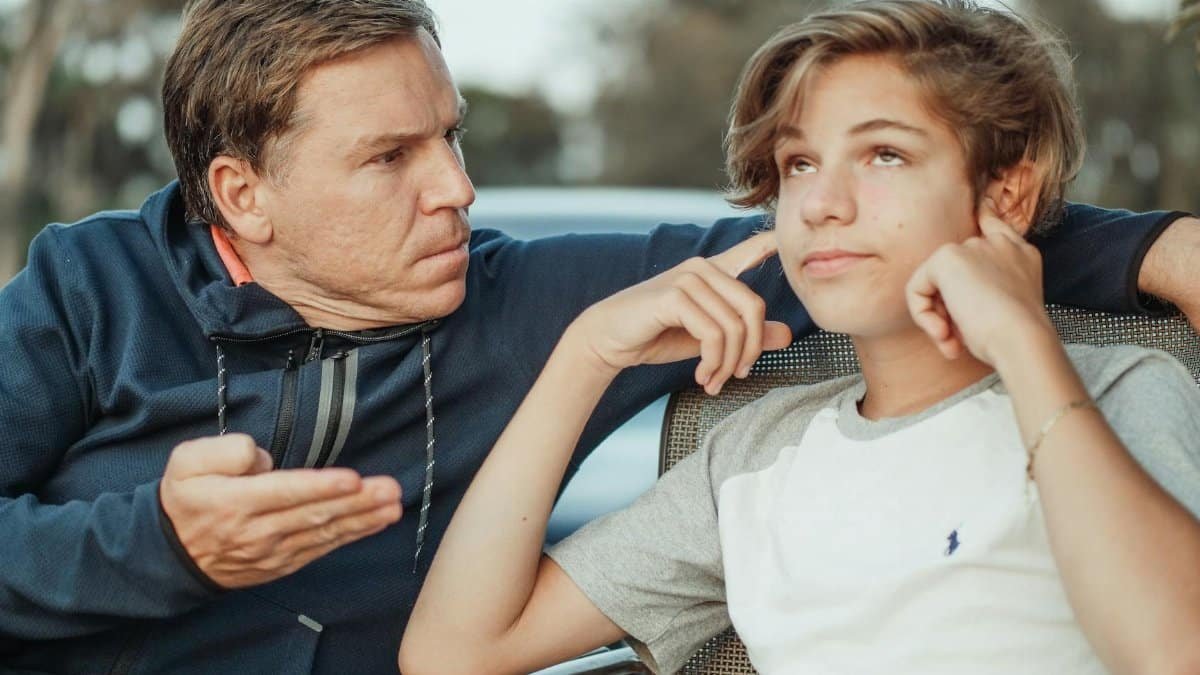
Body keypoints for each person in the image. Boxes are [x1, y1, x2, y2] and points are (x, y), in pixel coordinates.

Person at [0, 0, 1196, 672]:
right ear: (243, 195)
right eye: (391, 158)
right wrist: (155, 545)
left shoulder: (532, 294)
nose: (461, 190)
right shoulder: (86, 290)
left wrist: (1152, 249)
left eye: (451, 138)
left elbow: (835, 246)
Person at [400, 1, 1200, 673]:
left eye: (884, 154)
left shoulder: (1119, 388)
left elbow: (1174, 648)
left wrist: (1023, 342)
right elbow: (451, 653)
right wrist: (585, 355)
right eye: (799, 165)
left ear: (1007, 194)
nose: (822, 204)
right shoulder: (753, 459)